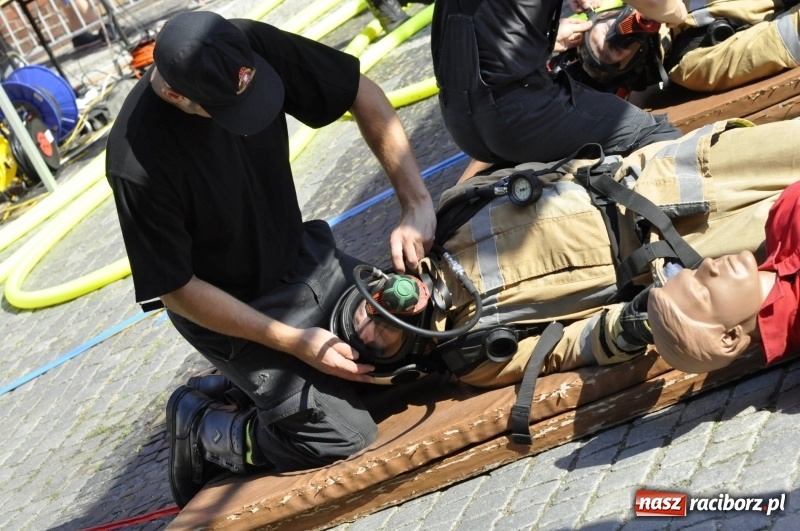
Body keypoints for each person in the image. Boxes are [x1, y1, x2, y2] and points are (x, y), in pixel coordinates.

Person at [105, 11, 436, 508]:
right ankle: (208, 428)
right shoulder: (136, 161)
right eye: (225, 108)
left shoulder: (246, 42)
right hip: (234, 311)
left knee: (408, 338)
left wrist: (415, 202)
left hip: (304, 258)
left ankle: (244, 388)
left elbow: (358, 90)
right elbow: (177, 288)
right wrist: (294, 342)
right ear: (175, 94)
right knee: (340, 437)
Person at [331, 118, 800, 388]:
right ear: (407, 352)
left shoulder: (443, 218)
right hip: (678, 256)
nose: (387, 306)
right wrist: (630, 325)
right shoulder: (472, 353)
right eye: (381, 332)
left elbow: (532, 163)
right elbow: (565, 348)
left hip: (667, 175)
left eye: (373, 299)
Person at [429, 0, 688, 179]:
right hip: (515, 114)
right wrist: (677, 12)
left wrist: (544, 38)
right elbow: (655, 5)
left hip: (459, 122)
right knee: (661, 136)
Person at [649, 178, 800, 374]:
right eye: (702, 290)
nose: (708, 264)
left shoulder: (782, 218)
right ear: (729, 337)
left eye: (695, 272)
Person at [565, 0, 800, 94]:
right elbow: (782, 41)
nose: (621, 31)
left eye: (605, 29)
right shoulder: (689, 66)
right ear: (633, 65)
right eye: (617, 48)